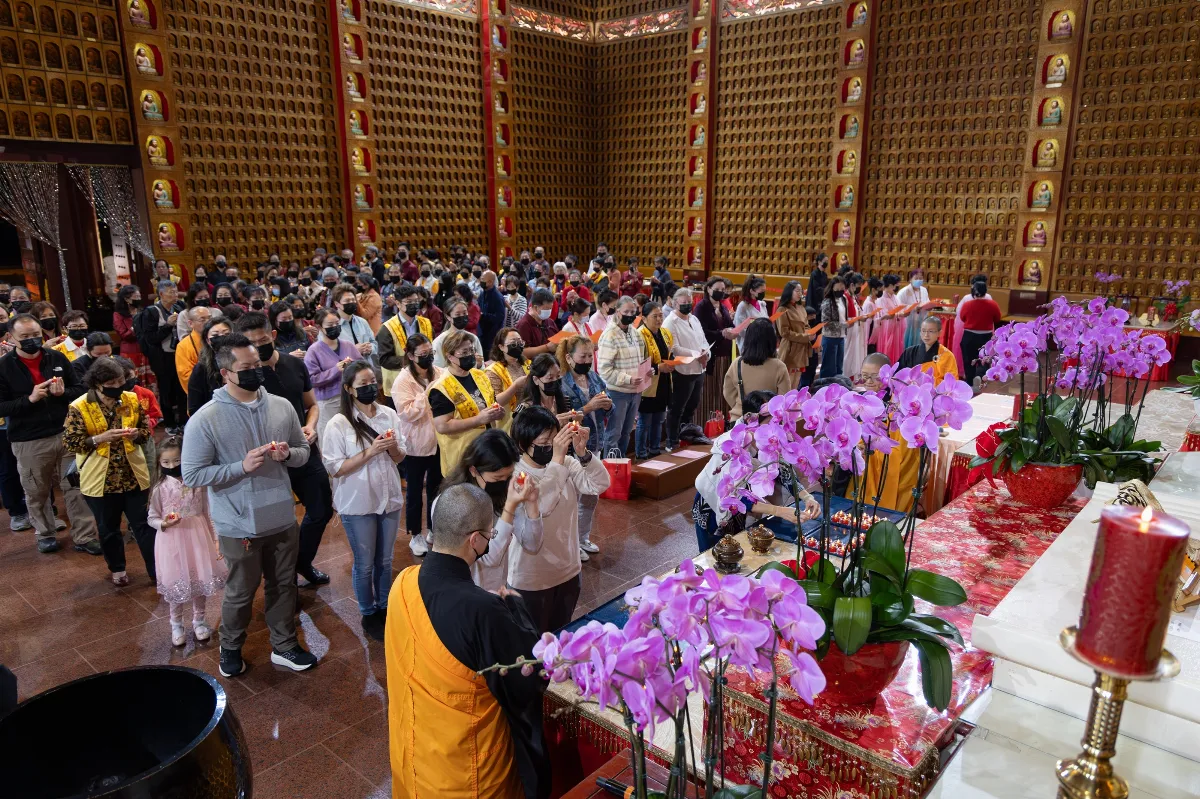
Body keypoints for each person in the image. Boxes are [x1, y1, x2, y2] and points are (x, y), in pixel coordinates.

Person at [384, 482, 548, 799]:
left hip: (413, 759)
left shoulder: (403, 582)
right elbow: (525, 683)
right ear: (475, 540)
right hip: (466, 775)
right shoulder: (483, 611)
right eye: (489, 536)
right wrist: (516, 609)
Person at [182, 335, 317, 678]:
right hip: (238, 521)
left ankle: (284, 645)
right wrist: (239, 467)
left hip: (281, 514)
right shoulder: (205, 419)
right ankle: (230, 647)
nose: (257, 371)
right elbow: (193, 475)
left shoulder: (281, 406)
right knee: (241, 591)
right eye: (247, 368)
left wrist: (289, 454)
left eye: (258, 364)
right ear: (226, 372)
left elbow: (303, 452)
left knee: (284, 584)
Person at [237, 312, 332, 586]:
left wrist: (311, 426)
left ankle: (301, 563)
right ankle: (281, 577)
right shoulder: (247, 377)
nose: (258, 346)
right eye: (251, 343)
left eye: (263, 340)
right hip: (268, 458)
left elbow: (311, 404)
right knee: (276, 521)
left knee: (321, 509)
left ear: (273, 336)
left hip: (302, 448)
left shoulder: (293, 364)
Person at [0, 314, 100, 554]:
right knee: (37, 491)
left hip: (65, 432)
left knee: (76, 488)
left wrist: (63, 393)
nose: (32, 340)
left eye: (35, 335)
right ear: (11, 338)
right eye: (25, 337)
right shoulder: (4, 367)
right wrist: (30, 399)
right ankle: (45, 534)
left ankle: (85, 536)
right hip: (29, 440)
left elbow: (80, 389)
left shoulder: (56, 357)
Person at [324, 361, 405, 640]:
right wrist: (370, 452)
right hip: (358, 501)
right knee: (365, 562)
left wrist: (393, 447)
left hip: (389, 497)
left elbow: (400, 456)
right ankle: (368, 611)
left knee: (385, 559)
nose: (371, 388)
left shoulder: (388, 414)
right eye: (363, 385)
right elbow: (335, 467)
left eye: (373, 382)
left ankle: (384, 605)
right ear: (349, 389)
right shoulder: (339, 423)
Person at [509, 406, 609, 632]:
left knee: (560, 639)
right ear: (522, 445)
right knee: (533, 648)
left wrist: (583, 454)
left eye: (555, 441)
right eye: (544, 444)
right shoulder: (515, 475)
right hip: (531, 577)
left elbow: (599, 484)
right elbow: (542, 505)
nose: (553, 448)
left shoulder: (566, 463)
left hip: (568, 569)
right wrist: (556, 460)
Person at [63, 356, 154, 584]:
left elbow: (145, 429)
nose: (117, 388)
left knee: (144, 525)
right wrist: (98, 439)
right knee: (108, 528)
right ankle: (118, 570)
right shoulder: (79, 406)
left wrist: (137, 434)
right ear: (96, 384)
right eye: (110, 384)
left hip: (132, 474)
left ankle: (156, 572)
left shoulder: (132, 399)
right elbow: (71, 442)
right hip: (100, 479)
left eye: (120, 381)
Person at [693, 390, 821, 551]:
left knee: (737, 551)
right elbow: (737, 497)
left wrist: (806, 496)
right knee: (713, 556)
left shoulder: (770, 440)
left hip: (742, 511)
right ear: (751, 419)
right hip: (712, 509)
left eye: (778, 422)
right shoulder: (734, 446)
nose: (776, 428)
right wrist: (779, 511)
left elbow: (784, 470)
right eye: (771, 422)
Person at [150, 434, 226, 646]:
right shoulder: (160, 488)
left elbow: (207, 511)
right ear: (159, 463)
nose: (171, 465)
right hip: (173, 540)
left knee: (199, 580)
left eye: (176, 461)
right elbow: (151, 517)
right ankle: (176, 623)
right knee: (176, 583)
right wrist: (163, 524)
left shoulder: (197, 484)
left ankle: (199, 620)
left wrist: (216, 539)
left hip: (197, 536)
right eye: (165, 462)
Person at [391, 334, 443, 557]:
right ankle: (415, 534)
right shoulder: (402, 381)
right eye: (423, 355)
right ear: (411, 356)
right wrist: (428, 393)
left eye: (430, 352)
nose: (428, 357)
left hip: (440, 440)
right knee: (414, 492)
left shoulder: (439, 372)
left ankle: (433, 528)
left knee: (436, 487)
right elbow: (406, 413)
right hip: (415, 444)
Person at [429, 330, 506, 475]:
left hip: (487, 447)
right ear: (450, 356)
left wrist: (497, 412)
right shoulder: (441, 388)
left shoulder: (480, 375)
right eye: (464, 352)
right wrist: (479, 419)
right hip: (463, 453)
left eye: (472, 350)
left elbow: (491, 402)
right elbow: (442, 426)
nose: (470, 355)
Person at [855, 353, 923, 513]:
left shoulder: (898, 406)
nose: (869, 382)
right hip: (865, 469)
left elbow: (903, 450)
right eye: (865, 377)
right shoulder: (860, 400)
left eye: (875, 377)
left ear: (888, 377)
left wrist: (869, 448)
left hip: (892, 473)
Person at [597, 295, 650, 458]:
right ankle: (609, 469)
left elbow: (641, 359)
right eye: (626, 311)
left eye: (633, 312)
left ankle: (621, 465)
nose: (630, 314)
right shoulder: (609, 335)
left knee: (627, 432)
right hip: (617, 391)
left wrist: (646, 371)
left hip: (635, 390)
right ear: (617, 312)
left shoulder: (635, 333)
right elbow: (604, 370)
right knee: (614, 433)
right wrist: (627, 379)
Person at [305, 308, 364, 443]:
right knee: (331, 439)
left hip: (350, 398)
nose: (335, 327)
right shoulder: (314, 350)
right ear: (319, 327)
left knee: (352, 437)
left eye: (337, 323)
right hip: (327, 402)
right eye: (330, 325)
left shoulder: (348, 345)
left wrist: (353, 367)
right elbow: (312, 379)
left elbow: (362, 366)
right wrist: (335, 370)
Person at [661, 287, 709, 449]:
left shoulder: (694, 319)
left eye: (689, 302)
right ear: (675, 304)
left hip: (699, 369)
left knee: (692, 405)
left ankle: (686, 436)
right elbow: (674, 348)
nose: (687, 305)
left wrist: (705, 352)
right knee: (677, 408)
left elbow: (703, 339)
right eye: (684, 303)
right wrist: (697, 353)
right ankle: (672, 441)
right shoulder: (670, 322)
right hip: (683, 370)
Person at [722, 318, 792, 420]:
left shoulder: (737, 363)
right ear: (771, 341)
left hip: (739, 421)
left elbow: (728, 392)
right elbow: (784, 398)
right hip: (768, 424)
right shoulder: (779, 366)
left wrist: (742, 405)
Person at [141, 280, 186, 430]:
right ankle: (170, 422)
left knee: (182, 389)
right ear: (161, 294)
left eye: (175, 291)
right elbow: (150, 338)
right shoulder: (152, 312)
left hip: (180, 354)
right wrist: (167, 325)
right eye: (170, 292)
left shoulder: (179, 307)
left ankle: (184, 421)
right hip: (162, 358)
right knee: (166, 390)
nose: (175, 295)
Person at [378, 285, 432, 400]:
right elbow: (384, 359)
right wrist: (411, 360)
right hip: (398, 384)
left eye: (416, 301)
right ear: (398, 304)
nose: (414, 304)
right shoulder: (387, 328)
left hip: (424, 381)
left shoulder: (426, 323)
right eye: (409, 302)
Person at [635, 301, 675, 459]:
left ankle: (655, 448)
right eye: (655, 316)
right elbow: (639, 362)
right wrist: (659, 368)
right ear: (644, 318)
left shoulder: (664, 333)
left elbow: (668, 354)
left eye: (661, 316)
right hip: (648, 383)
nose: (659, 319)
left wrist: (672, 363)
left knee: (659, 419)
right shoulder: (639, 335)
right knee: (645, 421)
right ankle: (641, 452)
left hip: (664, 382)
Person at [957, 279, 1003, 390]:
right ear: (985, 291)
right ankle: (980, 378)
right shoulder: (993, 304)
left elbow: (962, 317)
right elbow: (997, 318)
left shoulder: (967, 304)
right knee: (985, 359)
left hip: (969, 336)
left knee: (968, 360)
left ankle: (970, 382)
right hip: (986, 336)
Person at [486, 327, 532, 431]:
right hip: (507, 424)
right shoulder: (493, 371)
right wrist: (515, 386)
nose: (518, 345)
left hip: (529, 419)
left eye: (520, 342)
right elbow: (495, 402)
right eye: (513, 342)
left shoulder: (528, 364)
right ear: (501, 347)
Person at [185, 317, 233, 414]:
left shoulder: (243, 361)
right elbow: (194, 406)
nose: (222, 337)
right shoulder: (201, 369)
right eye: (215, 335)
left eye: (226, 334)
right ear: (207, 340)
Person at [113, 284, 154, 388]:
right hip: (130, 351)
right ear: (127, 299)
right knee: (132, 379)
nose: (139, 299)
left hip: (144, 349)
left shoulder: (142, 311)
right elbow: (123, 334)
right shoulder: (118, 315)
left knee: (150, 380)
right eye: (136, 297)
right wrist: (134, 328)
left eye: (139, 297)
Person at [774, 280, 813, 389]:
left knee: (796, 382)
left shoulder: (801, 308)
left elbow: (806, 325)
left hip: (801, 349)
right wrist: (805, 337)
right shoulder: (782, 309)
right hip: (790, 349)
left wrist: (810, 332)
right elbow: (784, 332)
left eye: (801, 291)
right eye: (797, 291)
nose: (800, 293)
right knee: (788, 383)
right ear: (789, 292)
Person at [898, 316, 958, 385]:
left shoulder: (947, 355)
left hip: (934, 394)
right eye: (923, 331)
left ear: (939, 333)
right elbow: (899, 375)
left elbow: (952, 383)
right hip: (911, 392)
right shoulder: (909, 352)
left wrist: (927, 381)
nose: (926, 335)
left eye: (931, 331)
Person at [432, 297, 483, 368]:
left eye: (465, 313)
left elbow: (481, 366)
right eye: (457, 314)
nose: (462, 316)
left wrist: (479, 364)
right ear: (448, 317)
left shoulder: (473, 338)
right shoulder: (440, 341)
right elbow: (437, 368)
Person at [332, 284, 378, 360]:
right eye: (347, 300)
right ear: (337, 304)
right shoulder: (330, 325)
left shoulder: (362, 322)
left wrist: (370, 348)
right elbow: (328, 354)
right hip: (346, 369)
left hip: (366, 365)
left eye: (353, 300)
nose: (351, 303)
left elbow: (374, 343)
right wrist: (353, 351)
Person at [175, 305, 213, 393]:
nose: (208, 322)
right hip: (201, 392)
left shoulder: (218, 338)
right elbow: (185, 376)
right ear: (190, 323)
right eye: (202, 320)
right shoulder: (183, 345)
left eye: (210, 318)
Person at [819, 275, 849, 378]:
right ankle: (824, 387)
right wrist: (843, 325)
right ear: (832, 288)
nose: (840, 291)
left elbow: (843, 316)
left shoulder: (843, 299)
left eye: (842, 289)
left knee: (838, 367)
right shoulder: (827, 301)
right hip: (830, 337)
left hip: (841, 337)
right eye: (838, 289)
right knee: (828, 368)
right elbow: (825, 322)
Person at [841, 272, 869, 380]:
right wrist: (858, 318)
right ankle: (846, 378)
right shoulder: (845, 297)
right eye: (858, 286)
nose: (859, 289)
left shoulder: (853, 297)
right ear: (852, 285)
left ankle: (853, 377)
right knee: (848, 356)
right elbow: (844, 316)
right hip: (849, 331)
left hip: (856, 330)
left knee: (855, 355)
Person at [896, 269, 931, 349]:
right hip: (908, 324)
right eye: (916, 278)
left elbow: (927, 302)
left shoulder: (924, 290)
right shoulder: (903, 292)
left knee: (920, 345)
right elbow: (898, 308)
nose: (919, 280)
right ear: (910, 279)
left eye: (920, 278)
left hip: (921, 322)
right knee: (907, 345)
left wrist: (929, 306)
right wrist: (913, 307)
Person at [733, 275, 768, 352]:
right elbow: (740, 330)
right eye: (761, 291)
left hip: (762, 344)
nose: (763, 293)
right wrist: (757, 336)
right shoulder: (743, 306)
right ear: (752, 291)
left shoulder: (762, 304)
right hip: (749, 345)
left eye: (764, 291)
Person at [477, 269, 506, 355]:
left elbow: (500, 316)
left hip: (492, 334)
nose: (480, 281)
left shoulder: (497, 297)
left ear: (490, 282)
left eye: (483, 279)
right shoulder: (483, 293)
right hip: (482, 331)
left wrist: (484, 316)